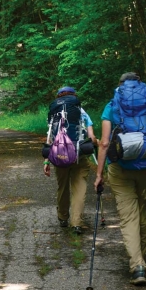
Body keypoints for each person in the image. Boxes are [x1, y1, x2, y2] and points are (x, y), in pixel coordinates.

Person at [94, 72, 146, 286]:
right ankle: (141, 259)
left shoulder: (112, 106)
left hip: (121, 167)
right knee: (143, 211)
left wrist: (99, 174)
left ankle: (137, 266)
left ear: (120, 85)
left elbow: (104, 143)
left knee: (128, 217)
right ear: (139, 84)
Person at [43, 86, 98, 235]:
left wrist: (47, 161)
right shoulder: (81, 111)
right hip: (79, 155)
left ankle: (62, 217)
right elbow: (92, 138)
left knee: (62, 187)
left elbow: (50, 138)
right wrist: (95, 142)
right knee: (79, 189)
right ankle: (76, 223)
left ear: (58, 97)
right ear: (74, 96)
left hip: (60, 155)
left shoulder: (53, 114)